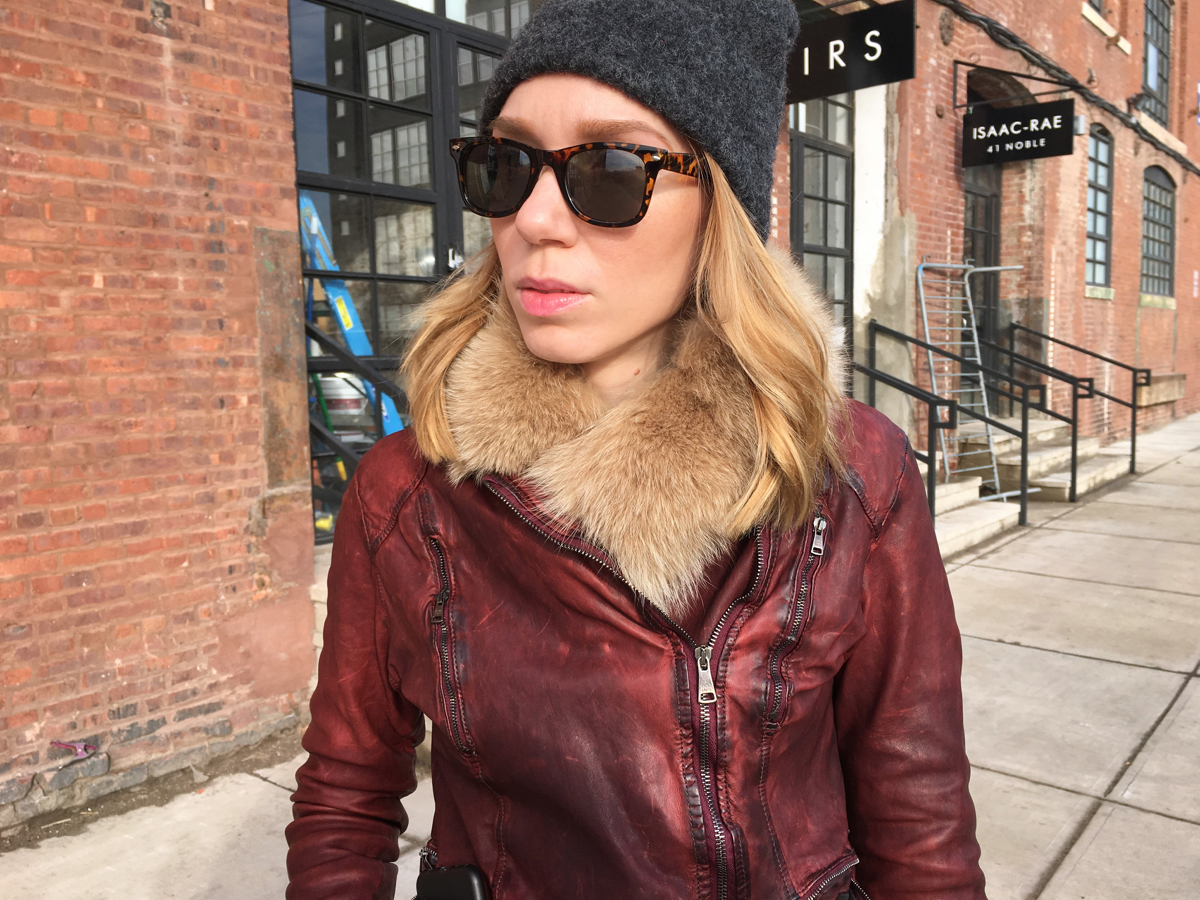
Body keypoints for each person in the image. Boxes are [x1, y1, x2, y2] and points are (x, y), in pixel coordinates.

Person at [286, 1, 987, 898]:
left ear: (721, 207)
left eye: (610, 169)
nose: (535, 219)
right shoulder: (407, 495)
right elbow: (344, 797)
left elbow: (918, 810)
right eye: (506, 164)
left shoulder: (852, 474)